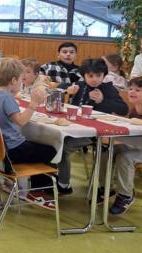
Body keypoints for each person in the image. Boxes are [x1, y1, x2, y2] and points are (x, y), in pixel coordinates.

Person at [0, 58, 57, 210]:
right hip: (13, 150)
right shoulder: (7, 98)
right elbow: (21, 121)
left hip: (1, 150)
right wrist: (33, 104)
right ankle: (37, 190)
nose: (21, 82)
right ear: (13, 80)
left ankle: (19, 183)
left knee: (38, 146)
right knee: (52, 150)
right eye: (20, 79)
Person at [55, 58, 128, 195]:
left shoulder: (108, 89)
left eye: (99, 76)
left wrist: (102, 101)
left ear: (104, 76)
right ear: (84, 76)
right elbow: (59, 87)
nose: (95, 79)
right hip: (74, 128)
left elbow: (123, 109)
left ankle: (63, 184)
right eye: (90, 76)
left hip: (95, 133)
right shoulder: (81, 85)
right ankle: (54, 176)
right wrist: (68, 90)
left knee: (63, 147)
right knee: (53, 140)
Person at [106, 76, 142, 214]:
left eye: (138, 90)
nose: (132, 92)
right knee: (109, 149)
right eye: (131, 89)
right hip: (138, 144)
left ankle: (125, 196)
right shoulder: (134, 110)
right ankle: (104, 187)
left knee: (126, 157)